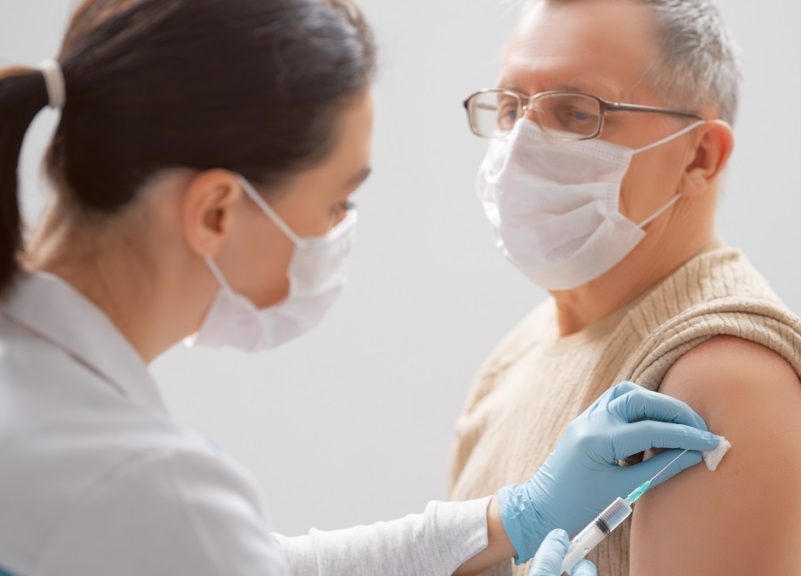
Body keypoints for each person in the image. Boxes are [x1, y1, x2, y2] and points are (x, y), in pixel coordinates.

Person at [0, 1, 725, 575]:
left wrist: (515, 517)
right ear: (217, 212)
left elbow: (255, 566)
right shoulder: (147, 491)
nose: (338, 231)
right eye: (336, 204)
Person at [449, 0, 801, 575]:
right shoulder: (516, 357)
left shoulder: (721, 371)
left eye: (576, 112)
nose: (523, 145)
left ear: (701, 155)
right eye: (513, 107)